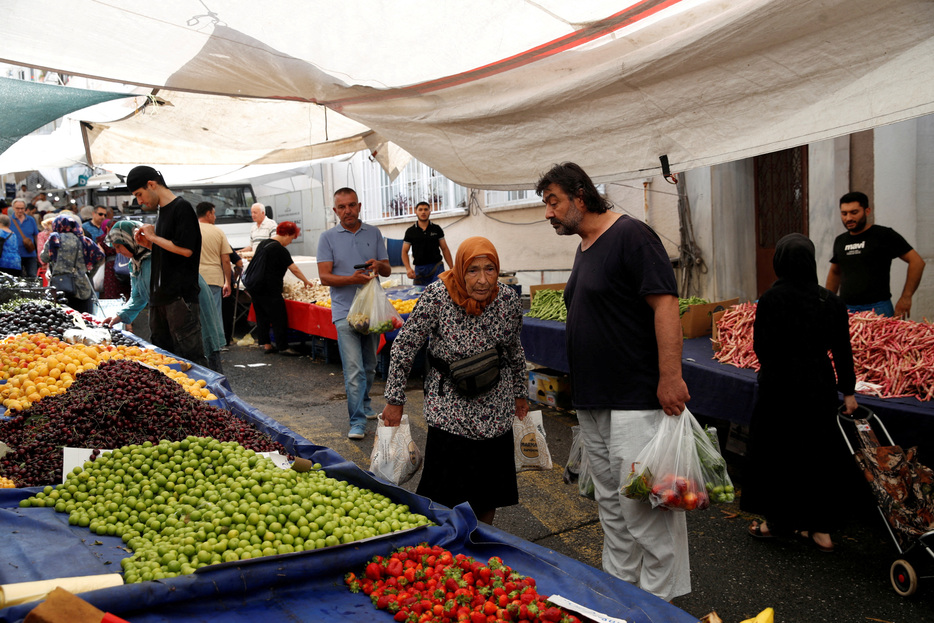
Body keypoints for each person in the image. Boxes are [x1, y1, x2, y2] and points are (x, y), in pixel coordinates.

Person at [535, 162, 691, 602]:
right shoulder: (586, 246)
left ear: (580, 197)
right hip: (594, 402)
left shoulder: (632, 236)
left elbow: (665, 305)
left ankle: (661, 607)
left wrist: (671, 376)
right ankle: (622, 601)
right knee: (613, 511)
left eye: (553, 202)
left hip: (634, 401)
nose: (548, 213)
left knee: (645, 510)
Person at [381, 237, 529, 524]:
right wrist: (394, 401)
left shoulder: (508, 299)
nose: (483, 280)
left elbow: (513, 348)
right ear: (460, 269)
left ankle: (480, 543)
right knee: (444, 495)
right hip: (450, 408)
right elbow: (404, 345)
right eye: (473, 270)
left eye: (490, 269)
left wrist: (520, 393)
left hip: (494, 409)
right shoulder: (438, 296)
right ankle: (446, 550)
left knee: (488, 493)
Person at [743, 233, 858, 553]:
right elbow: (843, 351)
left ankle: (776, 522)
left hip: (778, 386)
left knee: (779, 453)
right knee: (816, 453)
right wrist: (848, 391)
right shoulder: (830, 301)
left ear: (779, 261)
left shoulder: (769, 300)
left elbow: (761, 349)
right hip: (817, 386)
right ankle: (820, 531)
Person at [317, 187, 391, 439]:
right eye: (341, 207)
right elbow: (324, 276)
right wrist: (351, 278)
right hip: (344, 312)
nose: (347, 211)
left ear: (359, 206)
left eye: (351, 205)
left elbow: (388, 269)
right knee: (354, 369)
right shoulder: (327, 238)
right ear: (335, 210)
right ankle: (357, 421)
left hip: (371, 310)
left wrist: (378, 265)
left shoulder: (374, 232)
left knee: (370, 365)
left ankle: (366, 402)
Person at [125, 165, 206, 367]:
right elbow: (171, 251)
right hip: (161, 298)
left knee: (188, 362)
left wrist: (153, 237)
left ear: (151, 184)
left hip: (179, 299)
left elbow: (187, 250)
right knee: (164, 360)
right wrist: (150, 244)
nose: (140, 201)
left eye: (139, 194)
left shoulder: (182, 207)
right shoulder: (163, 210)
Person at [825, 191, 925, 318]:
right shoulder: (840, 240)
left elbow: (917, 262)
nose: (848, 218)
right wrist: (828, 302)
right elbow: (835, 272)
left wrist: (906, 297)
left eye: (854, 212)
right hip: (847, 309)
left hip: (878, 309)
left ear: (867, 211)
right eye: (844, 213)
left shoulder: (883, 235)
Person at [246, 221, 316, 355]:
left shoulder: (263, 243)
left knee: (262, 316)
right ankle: (283, 346)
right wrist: (306, 281)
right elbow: (293, 268)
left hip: (256, 286)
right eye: (292, 238)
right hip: (270, 288)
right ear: (287, 234)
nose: (290, 242)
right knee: (279, 316)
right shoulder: (279, 249)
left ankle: (266, 345)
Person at [40, 215, 105, 313]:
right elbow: (100, 257)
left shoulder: (55, 239)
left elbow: (44, 258)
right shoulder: (85, 241)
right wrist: (89, 273)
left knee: (63, 318)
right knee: (84, 319)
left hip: (60, 286)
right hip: (83, 287)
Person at [103, 220, 153, 340]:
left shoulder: (156, 258)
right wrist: (119, 316)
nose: (117, 252)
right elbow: (137, 296)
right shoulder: (135, 263)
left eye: (119, 246)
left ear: (130, 240)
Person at [196, 202, 233, 325]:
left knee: (197, 315)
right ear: (208, 214)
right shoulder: (218, 232)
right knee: (214, 315)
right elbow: (226, 260)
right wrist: (227, 281)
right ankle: (216, 344)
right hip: (213, 279)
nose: (215, 217)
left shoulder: (190, 229)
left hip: (194, 278)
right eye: (214, 213)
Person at [401, 201, 454, 285]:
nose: (423, 212)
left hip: (437, 268)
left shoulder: (437, 229)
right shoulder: (410, 231)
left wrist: (452, 268)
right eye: (420, 209)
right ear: (416, 212)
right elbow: (404, 251)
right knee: (419, 296)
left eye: (426, 209)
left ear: (430, 211)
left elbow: (444, 249)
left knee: (439, 294)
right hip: (419, 270)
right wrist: (408, 268)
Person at [9, 199, 39, 278]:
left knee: (32, 276)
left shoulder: (31, 220)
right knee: (15, 278)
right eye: (17, 208)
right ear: (13, 208)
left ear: (25, 208)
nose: (20, 210)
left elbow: (36, 236)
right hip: (14, 255)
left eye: (22, 208)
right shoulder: (9, 220)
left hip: (30, 254)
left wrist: (38, 252)